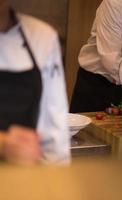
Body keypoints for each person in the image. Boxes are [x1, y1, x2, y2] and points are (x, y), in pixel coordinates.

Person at [0, 0, 70, 165]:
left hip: (24, 180)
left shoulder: (42, 37)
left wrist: (56, 184)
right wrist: (3, 144)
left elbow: (54, 131)